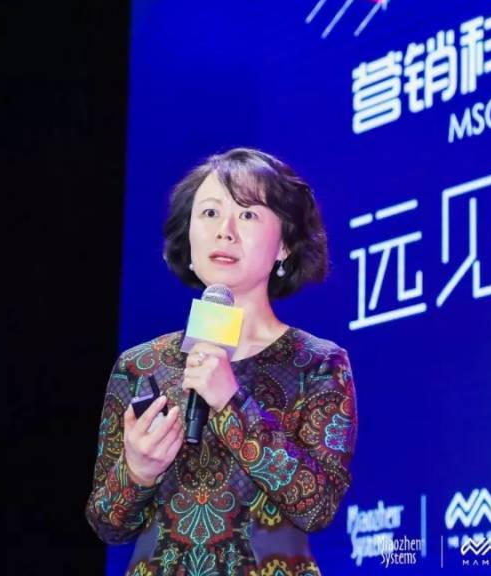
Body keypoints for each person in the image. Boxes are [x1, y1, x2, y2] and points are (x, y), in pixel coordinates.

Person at [85, 148, 358, 575]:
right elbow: (107, 525)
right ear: (189, 240)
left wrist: (231, 402)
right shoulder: (141, 365)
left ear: (285, 244)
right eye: (209, 213)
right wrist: (137, 472)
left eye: (247, 214)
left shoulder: (318, 364)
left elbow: (317, 506)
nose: (224, 232)